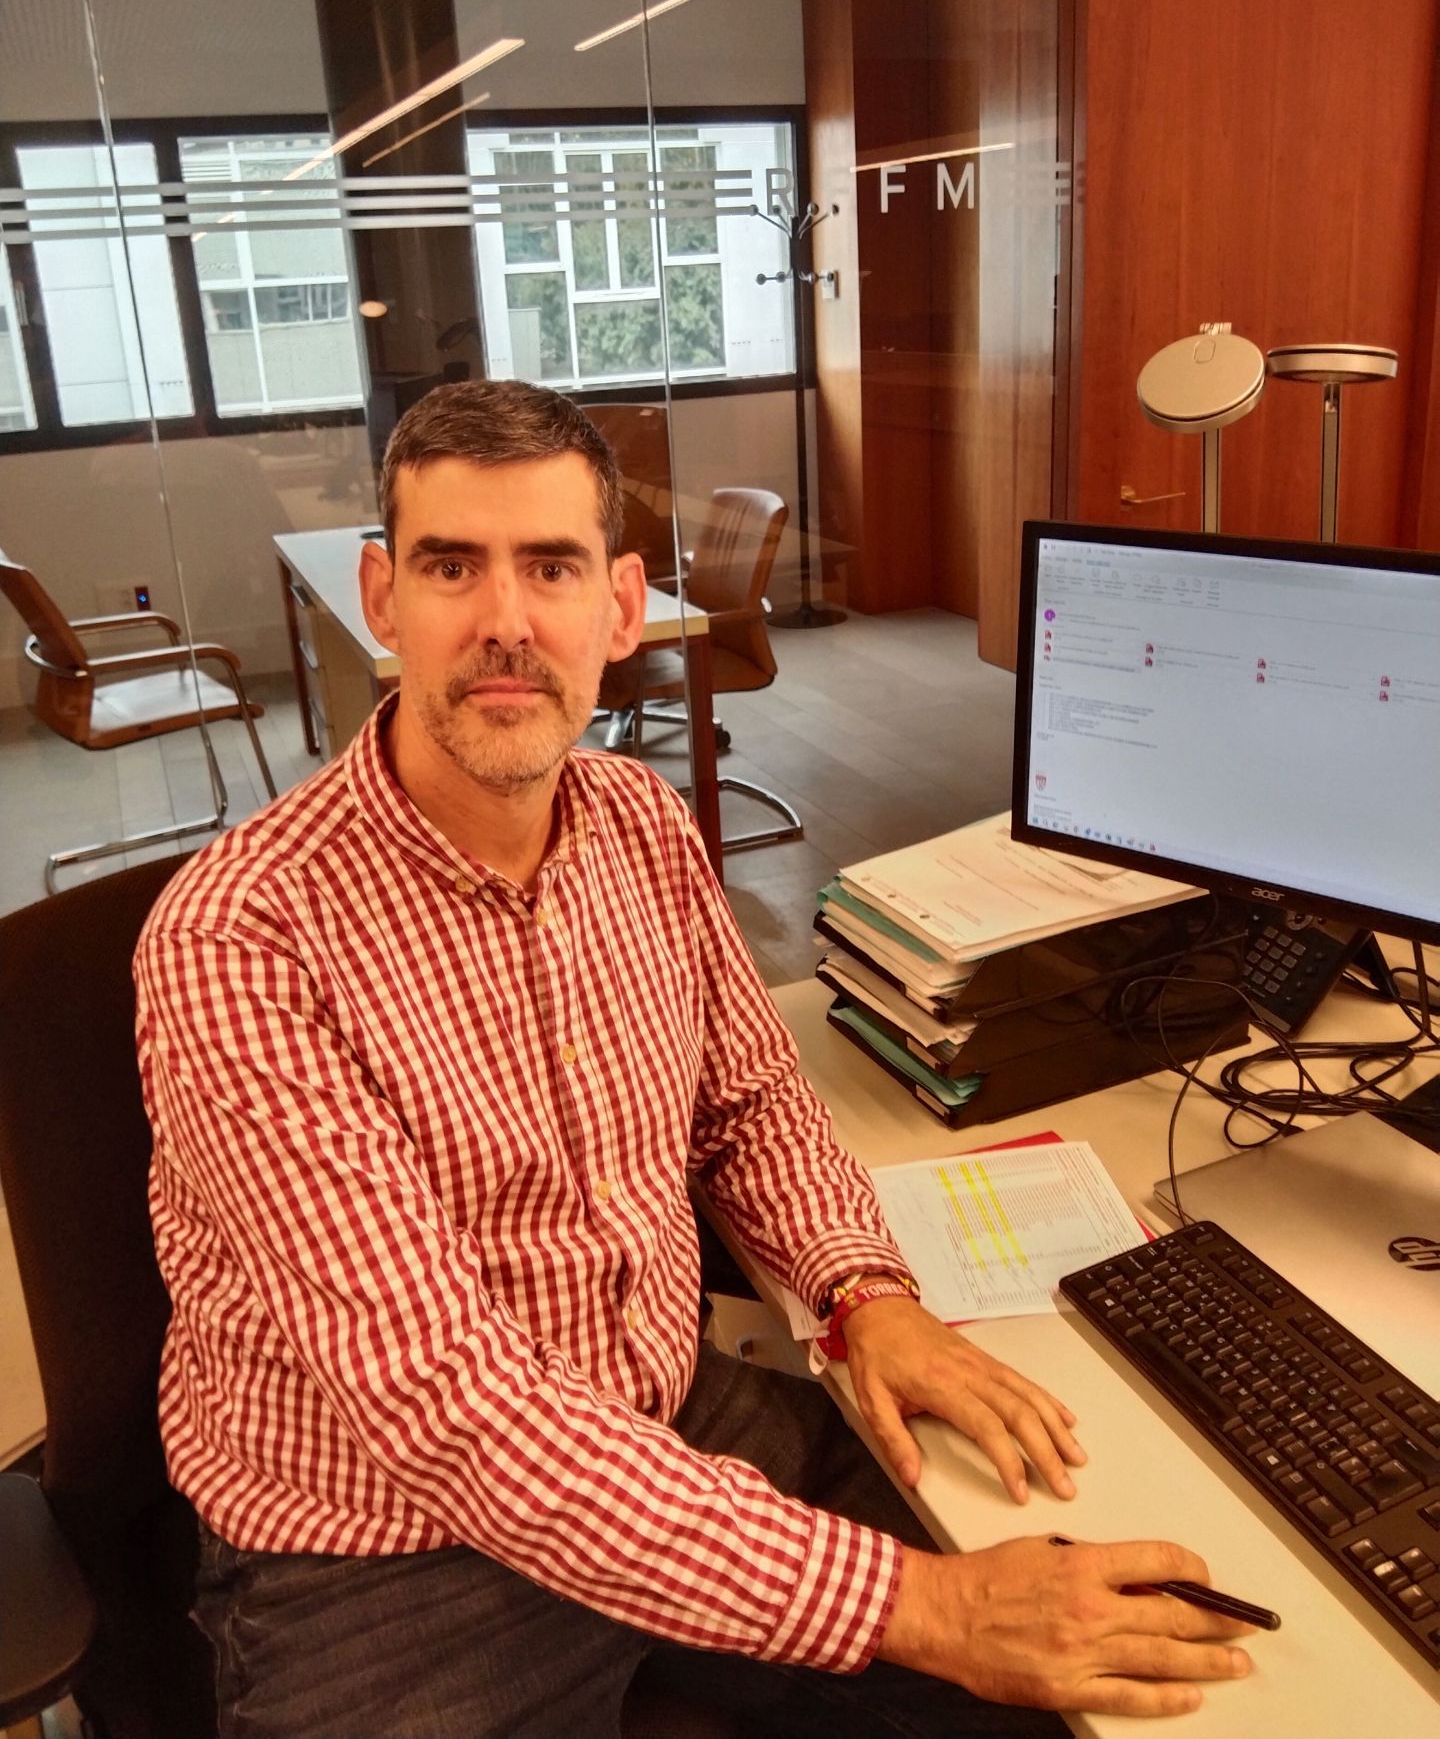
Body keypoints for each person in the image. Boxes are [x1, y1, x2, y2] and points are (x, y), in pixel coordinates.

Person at [135, 381, 1254, 1738]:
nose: (502, 621)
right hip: (385, 1559)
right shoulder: (239, 938)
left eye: (548, 567)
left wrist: (863, 1294)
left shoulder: (640, 825)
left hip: (672, 1419)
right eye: (450, 567)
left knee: (1105, 1665)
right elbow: (447, 1404)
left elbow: (753, 1106)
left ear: (617, 608)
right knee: (967, 1618)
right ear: (384, 600)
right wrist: (928, 1610)